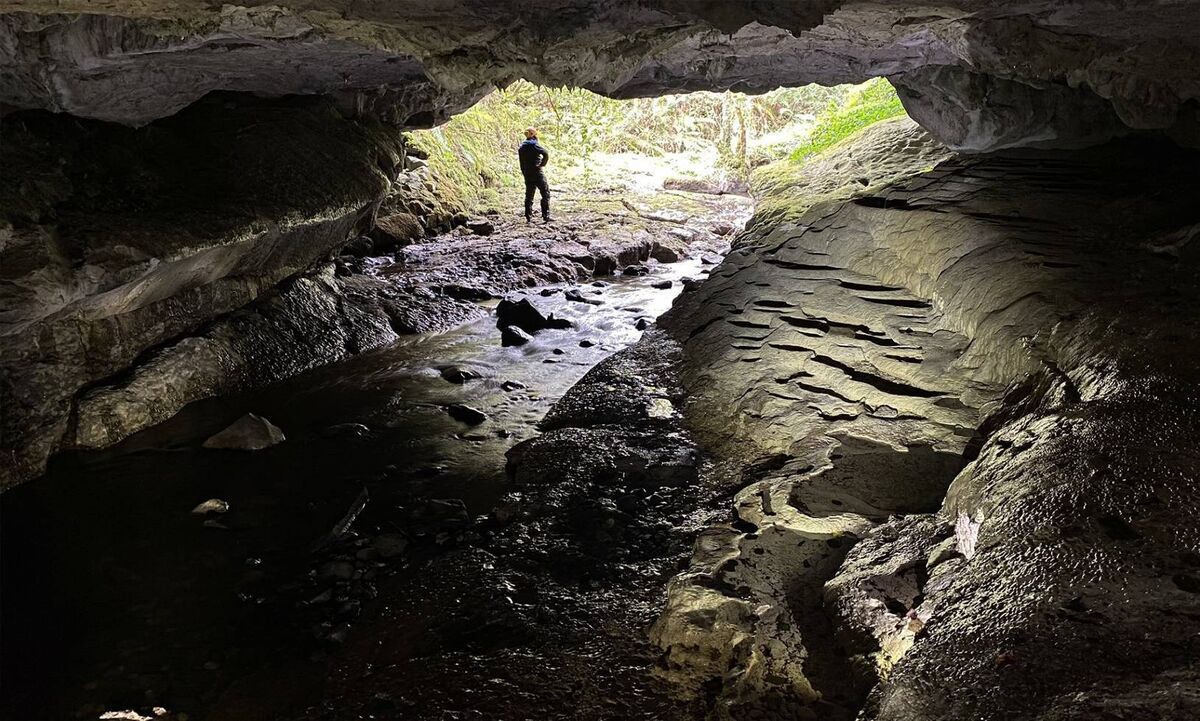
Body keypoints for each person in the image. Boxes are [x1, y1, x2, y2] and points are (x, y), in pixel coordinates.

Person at [518, 127, 552, 223]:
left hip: (527, 173)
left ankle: (528, 217)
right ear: (533, 135)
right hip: (537, 172)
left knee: (529, 195)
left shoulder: (522, 147)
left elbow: (521, 163)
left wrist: (524, 172)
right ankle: (546, 216)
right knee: (545, 193)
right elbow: (545, 153)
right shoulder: (534, 145)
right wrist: (542, 164)